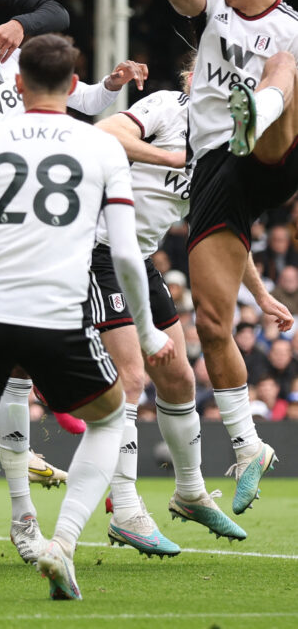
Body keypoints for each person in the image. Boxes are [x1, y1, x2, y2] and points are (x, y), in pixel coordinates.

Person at [0, 34, 175, 602]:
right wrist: (147, 328)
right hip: (59, 317)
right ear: (73, 86)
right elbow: (122, 256)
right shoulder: (101, 149)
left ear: (17, 85)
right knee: (109, 421)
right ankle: (61, 545)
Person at [90, 70, 293, 556]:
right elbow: (105, 133)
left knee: (179, 376)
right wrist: (173, 157)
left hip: (139, 261)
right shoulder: (166, 105)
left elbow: (224, 233)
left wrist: (262, 297)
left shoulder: (223, 149)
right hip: (94, 250)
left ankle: (189, 492)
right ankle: (127, 510)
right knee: (132, 379)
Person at [161, 0, 298, 513]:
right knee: (213, 322)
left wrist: (265, 108)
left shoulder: (289, 26)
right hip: (215, 170)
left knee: (285, 70)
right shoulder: (216, 1)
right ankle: (248, 447)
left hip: (272, 150)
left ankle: (261, 111)